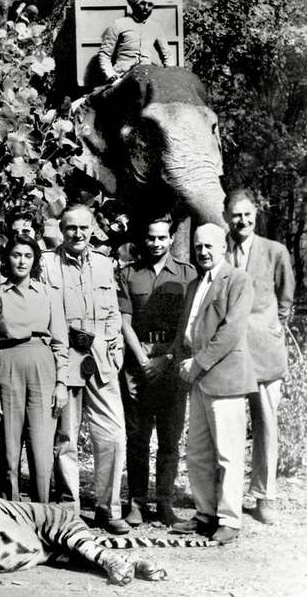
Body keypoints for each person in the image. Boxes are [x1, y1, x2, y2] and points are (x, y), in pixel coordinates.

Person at [45, 204, 129, 534]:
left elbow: (112, 312)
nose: (77, 234)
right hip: (64, 351)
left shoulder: (104, 264)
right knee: (66, 435)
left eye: (83, 227)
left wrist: (116, 345)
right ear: (61, 231)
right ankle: (69, 509)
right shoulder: (47, 263)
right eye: (70, 228)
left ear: (92, 229)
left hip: (101, 354)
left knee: (112, 434)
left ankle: (109, 508)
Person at [171, 224, 256, 544]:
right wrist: (180, 359)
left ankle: (230, 519)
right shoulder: (195, 284)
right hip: (198, 379)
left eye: (209, 246)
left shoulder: (238, 280)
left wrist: (198, 363)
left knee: (228, 453)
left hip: (226, 379)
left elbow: (231, 332)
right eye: (198, 246)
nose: (203, 252)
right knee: (197, 452)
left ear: (223, 247)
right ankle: (205, 513)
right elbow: (188, 327)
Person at [117, 215, 196, 526]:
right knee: (137, 437)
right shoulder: (129, 273)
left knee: (169, 438)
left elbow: (187, 322)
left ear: (171, 239)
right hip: (138, 362)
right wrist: (142, 359)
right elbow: (124, 320)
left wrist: (166, 358)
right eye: (151, 237)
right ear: (144, 238)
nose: (156, 243)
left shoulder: (188, 274)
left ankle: (164, 502)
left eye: (162, 238)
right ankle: (136, 502)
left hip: (172, 362)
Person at [0, 235, 69, 502]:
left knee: (42, 451)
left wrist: (61, 383)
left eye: (28, 256)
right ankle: (11, 511)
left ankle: (41, 513)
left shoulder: (49, 294)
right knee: (9, 450)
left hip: (43, 367)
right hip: (7, 366)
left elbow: (60, 342)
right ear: (7, 259)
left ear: (35, 261)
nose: (22, 261)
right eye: (16, 255)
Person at [224, 190, 295, 524]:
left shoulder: (275, 251)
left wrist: (276, 324)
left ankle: (264, 496)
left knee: (266, 425)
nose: (242, 220)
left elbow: (286, 296)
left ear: (256, 214)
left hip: (265, 352)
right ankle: (227, 496)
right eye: (236, 214)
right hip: (229, 352)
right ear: (226, 216)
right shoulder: (217, 249)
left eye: (247, 214)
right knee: (229, 426)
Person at [98, 0, 174, 83]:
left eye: (150, 4)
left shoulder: (156, 27)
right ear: (134, 4)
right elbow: (104, 54)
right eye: (142, 3)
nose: (146, 8)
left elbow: (167, 55)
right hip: (122, 78)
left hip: (147, 76)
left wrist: (171, 75)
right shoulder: (118, 24)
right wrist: (111, 75)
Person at [0, 208, 52, 286]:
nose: (19, 236)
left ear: (35, 232)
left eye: (25, 232)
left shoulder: (48, 264)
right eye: (14, 232)